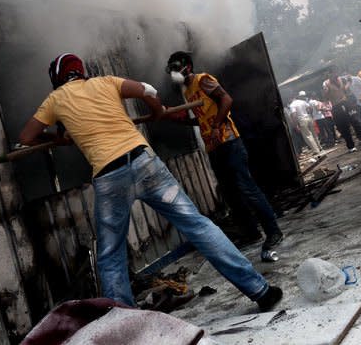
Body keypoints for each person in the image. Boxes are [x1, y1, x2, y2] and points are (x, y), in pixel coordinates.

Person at [19, 53, 282, 310]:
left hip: (110, 179)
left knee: (111, 256)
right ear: (81, 72)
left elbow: (27, 137)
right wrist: (157, 112)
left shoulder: (54, 100)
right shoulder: (105, 82)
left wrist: (57, 139)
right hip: (145, 163)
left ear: (57, 78)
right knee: (198, 225)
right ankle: (260, 291)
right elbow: (149, 89)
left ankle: (125, 327)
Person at [164, 52, 285, 255]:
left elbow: (226, 100)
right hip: (214, 147)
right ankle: (251, 233)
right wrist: (181, 120)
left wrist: (217, 125)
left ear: (187, 66)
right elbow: (203, 118)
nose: (174, 73)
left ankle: (274, 232)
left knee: (247, 188)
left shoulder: (203, 80)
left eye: (177, 67)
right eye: (172, 70)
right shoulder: (188, 91)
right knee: (230, 193)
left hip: (229, 142)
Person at [322, 67, 361, 152]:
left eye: (335, 72)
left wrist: (348, 84)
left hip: (346, 104)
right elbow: (325, 98)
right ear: (329, 75)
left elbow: (346, 86)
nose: (335, 75)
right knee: (343, 127)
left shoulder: (342, 79)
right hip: (336, 107)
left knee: (356, 121)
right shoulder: (325, 83)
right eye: (332, 73)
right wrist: (326, 92)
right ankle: (351, 146)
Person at [288, 91, 322, 156]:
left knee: (308, 136)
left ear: (290, 98)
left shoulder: (292, 105)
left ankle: (316, 150)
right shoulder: (302, 101)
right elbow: (310, 108)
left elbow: (294, 115)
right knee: (314, 133)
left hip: (301, 120)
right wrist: (310, 114)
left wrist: (296, 124)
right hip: (308, 117)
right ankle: (320, 147)